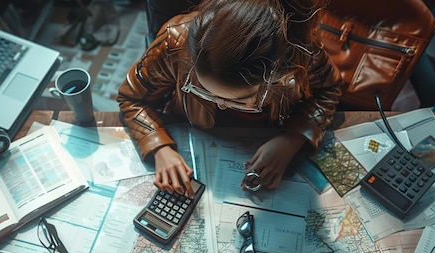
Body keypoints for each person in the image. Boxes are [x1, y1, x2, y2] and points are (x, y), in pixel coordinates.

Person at [117, 0, 342, 196]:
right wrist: (159, 147)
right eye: (205, 92)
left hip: (271, 133)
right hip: (194, 136)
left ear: (278, 77)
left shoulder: (299, 51)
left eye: (239, 100)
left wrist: (293, 138)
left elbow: (329, 90)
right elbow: (132, 98)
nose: (220, 104)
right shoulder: (175, 42)